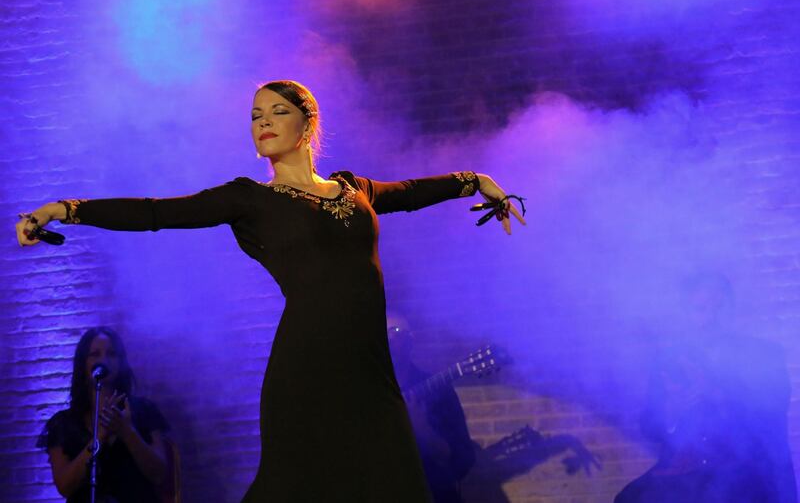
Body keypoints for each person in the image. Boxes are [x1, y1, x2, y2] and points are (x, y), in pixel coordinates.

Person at [17, 80, 525, 502]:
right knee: (296, 488)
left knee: (397, 487)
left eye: (277, 111)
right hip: (304, 366)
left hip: (371, 371)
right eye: (256, 114)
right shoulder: (250, 199)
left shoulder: (353, 189)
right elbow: (157, 213)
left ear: (308, 124)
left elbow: (412, 193)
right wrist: (63, 209)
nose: (262, 121)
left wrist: (477, 180)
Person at [615, 273, 797, 503]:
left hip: (748, 469)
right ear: (687, 314)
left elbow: (773, 412)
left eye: (717, 306)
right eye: (700, 308)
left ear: (730, 310)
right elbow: (649, 426)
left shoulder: (764, 354)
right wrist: (670, 413)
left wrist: (718, 395)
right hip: (689, 468)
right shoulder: (670, 360)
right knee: (629, 499)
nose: (710, 316)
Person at [36, 327, 170, 503]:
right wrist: (100, 435)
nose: (103, 360)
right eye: (95, 354)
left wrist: (128, 432)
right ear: (83, 364)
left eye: (111, 354)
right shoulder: (62, 424)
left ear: (121, 362)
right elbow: (65, 486)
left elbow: (159, 473)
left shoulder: (143, 411)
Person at [387, 321, 476, 503]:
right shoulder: (363, 392)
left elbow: (463, 461)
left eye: (396, 331)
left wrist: (423, 430)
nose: (390, 338)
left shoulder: (440, 389)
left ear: (410, 340)